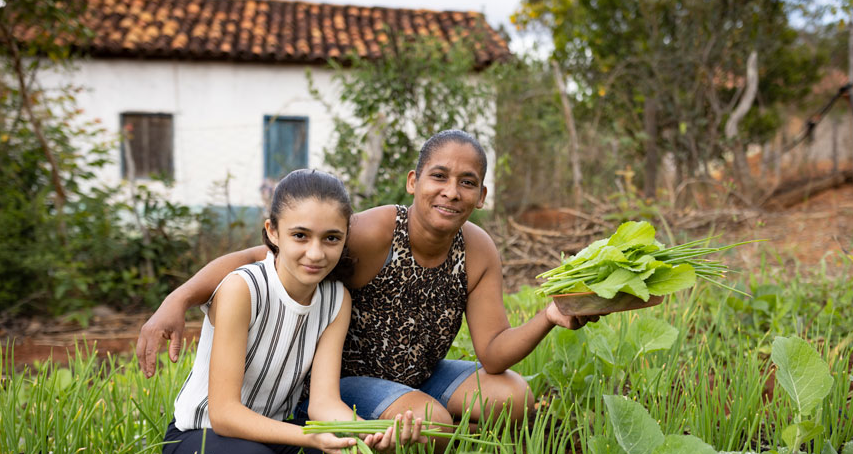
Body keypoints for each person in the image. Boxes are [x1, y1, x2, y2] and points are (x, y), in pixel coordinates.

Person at [142, 130, 600, 436]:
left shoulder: (478, 251)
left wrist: (549, 316)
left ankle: (434, 440)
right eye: (438, 176)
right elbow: (265, 255)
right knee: (433, 423)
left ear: (481, 196)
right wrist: (178, 299)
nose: (451, 191)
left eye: (467, 182)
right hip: (339, 383)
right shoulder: (376, 233)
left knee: (515, 397)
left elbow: (494, 351)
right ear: (413, 181)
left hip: (419, 375)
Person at [163, 169, 424, 454]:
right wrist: (309, 436)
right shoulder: (242, 288)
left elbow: (323, 404)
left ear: (346, 237)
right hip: (200, 435)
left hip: (272, 432)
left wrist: (367, 432)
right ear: (273, 231)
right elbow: (224, 414)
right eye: (300, 235)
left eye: (331, 238)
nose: (315, 253)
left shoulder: (335, 299)